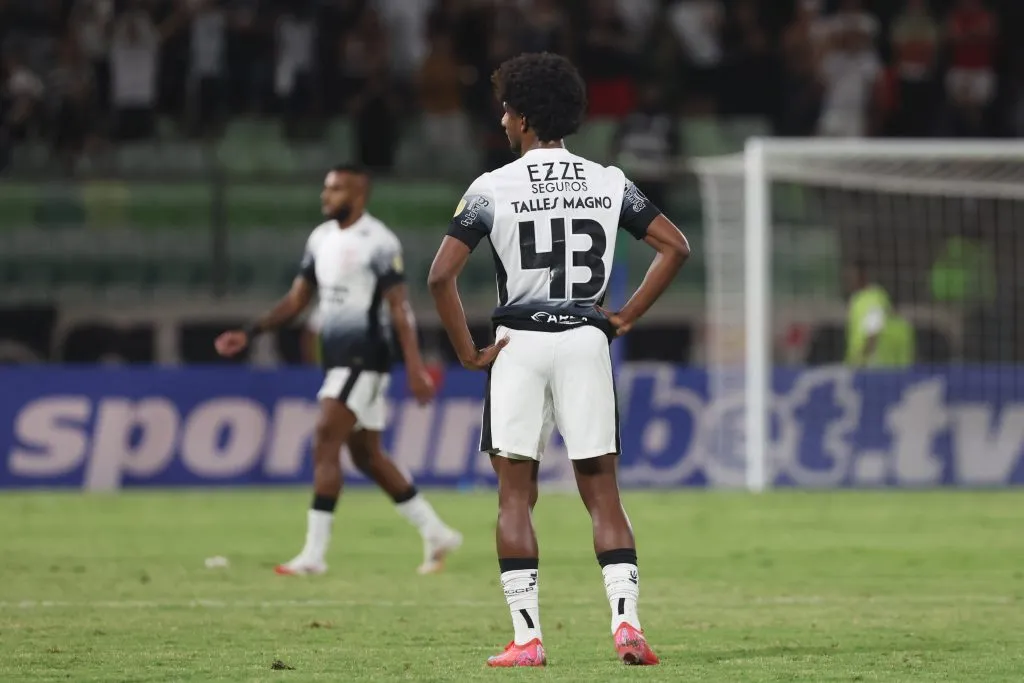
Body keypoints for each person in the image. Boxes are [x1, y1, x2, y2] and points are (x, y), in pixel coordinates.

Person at [427, 52, 690, 667]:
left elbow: (441, 276)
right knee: (603, 494)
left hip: (517, 345)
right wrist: (623, 316)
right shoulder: (607, 180)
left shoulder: (491, 188)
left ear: (521, 118)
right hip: (584, 339)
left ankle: (527, 639)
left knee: (515, 499)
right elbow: (674, 247)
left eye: (505, 110)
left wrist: (469, 351)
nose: (501, 119)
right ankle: (627, 627)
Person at [215, 164, 463, 576]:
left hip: (365, 356)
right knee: (366, 456)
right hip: (339, 358)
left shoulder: (379, 241)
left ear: (358, 193)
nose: (324, 196)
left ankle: (314, 555)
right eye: (325, 188)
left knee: (324, 439)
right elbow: (297, 301)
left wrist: (416, 367)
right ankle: (436, 531)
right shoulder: (321, 238)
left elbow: (399, 308)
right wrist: (250, 331)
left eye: (334, 189)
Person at [844, 258, 914, 367]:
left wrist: (860, 362)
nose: (848, 279)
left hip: (873, 369)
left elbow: (873, 332)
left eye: (851, 275)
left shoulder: (873, 298)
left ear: (862, 275)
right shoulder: (859, 299)